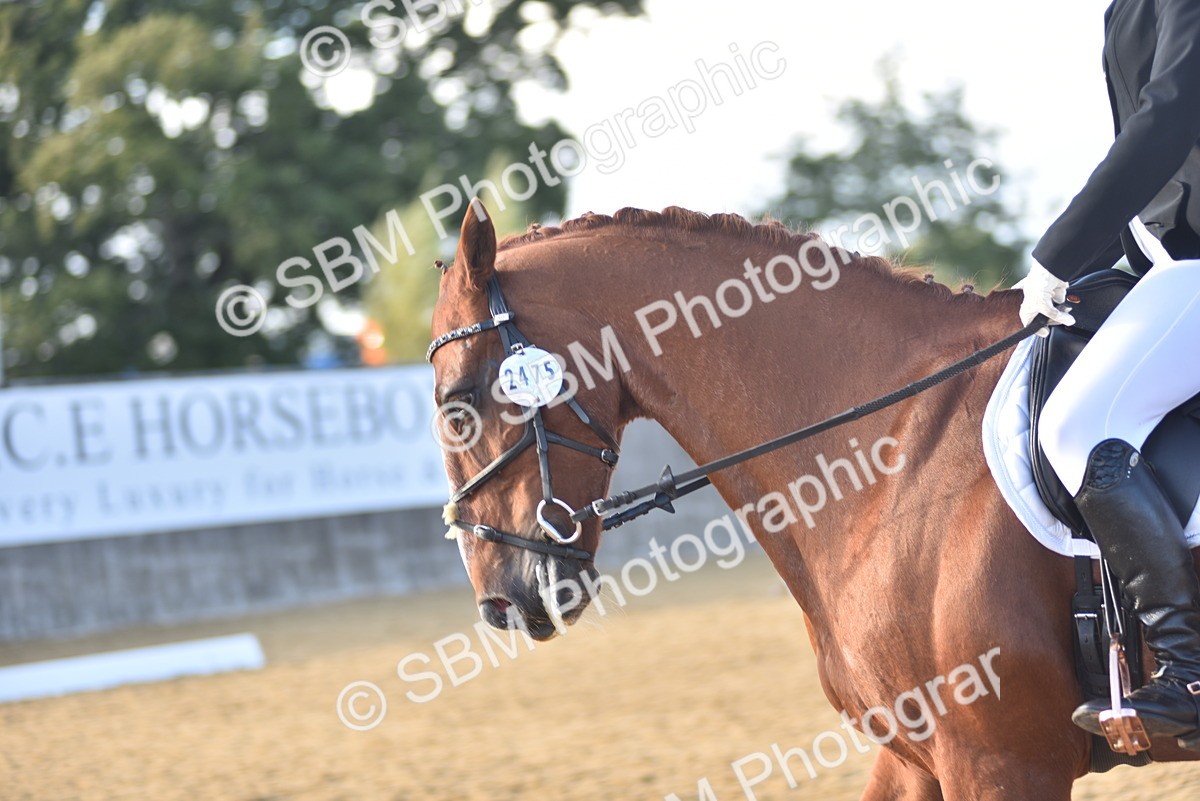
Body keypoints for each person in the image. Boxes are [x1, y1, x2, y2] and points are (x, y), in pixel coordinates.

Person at [1016, 0, 1200, 747]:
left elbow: (1170, 117)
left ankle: (1188, 676)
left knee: (1077, 424)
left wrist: (1058, 254)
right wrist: (1080, 270)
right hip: (1167, 265)